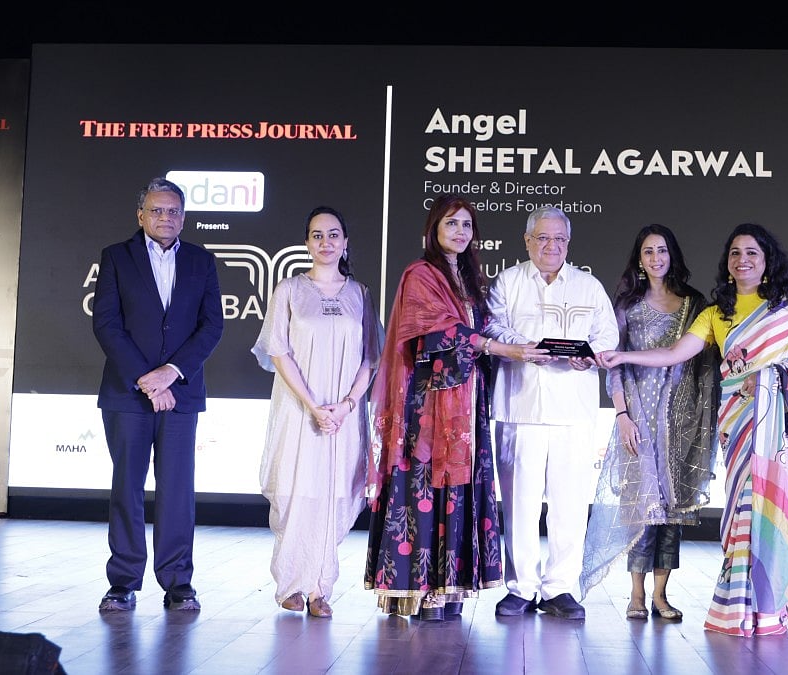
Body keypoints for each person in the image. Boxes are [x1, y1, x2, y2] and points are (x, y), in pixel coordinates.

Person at [596, 223, 788, 637]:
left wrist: (773, 377)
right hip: (740, 426)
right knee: (742, 511)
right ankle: (736, 607)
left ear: (767, 260)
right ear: (727, 262)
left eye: (752, 253)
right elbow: (673, 353)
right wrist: (621, 356)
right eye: (735, 253)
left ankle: (774, 607)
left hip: (782, 432)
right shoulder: (714, 313)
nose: (742, 260)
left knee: (776, 512)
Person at [363, 194, 547, 621]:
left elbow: (478, 331)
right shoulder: (420, 275)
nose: (460, 232)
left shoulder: (471, 280)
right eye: (451, 224)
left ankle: (448, 589)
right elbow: (438, 334)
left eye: (467, 225)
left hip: (468, 402)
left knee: (460, 489)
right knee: (424, 488)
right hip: (429, 404)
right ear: (433, 230)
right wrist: (504, 348)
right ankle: (417, 589)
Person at [93, 177, 224, 612]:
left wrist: (170, 374)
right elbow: (107, 325)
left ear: (183, 217)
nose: (165, 217)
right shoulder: (115, 257)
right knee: (126, 489)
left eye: (173, 211)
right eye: (156, 210)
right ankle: (123, 582)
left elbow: (212, 327)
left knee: (177, 491)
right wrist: (147, 380)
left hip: (181, 394)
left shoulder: (202, 262)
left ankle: (178, 583)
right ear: (141, 215)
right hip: (127, 395)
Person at [578, 224, 719, 622]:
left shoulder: (695, 304)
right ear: (638, 260)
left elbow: (703, 365)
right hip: (638, 418)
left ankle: (661, 596)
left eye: (661, 251)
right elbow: (614, 363)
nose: (656, 258)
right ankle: (636, 596)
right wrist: (622, 414)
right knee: (641, 509)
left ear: (672, 255)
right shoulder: (626, 306)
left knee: (672, 513)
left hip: (682, 421)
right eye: (648, 252)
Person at [485, 205, 619, 620]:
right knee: (520, 504)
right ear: (527, 241)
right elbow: (492, 327)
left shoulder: (588, 286)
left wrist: (589, 357)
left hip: (573, 412)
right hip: (519, 407)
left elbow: (606, 337)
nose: (551, 246)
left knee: (570, 506)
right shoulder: (508, 282)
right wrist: (525, 346)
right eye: (543, 238)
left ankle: (561, 588)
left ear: (568, 243)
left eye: (559, 239)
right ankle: (520, 588)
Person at [252, 206, 384, 619]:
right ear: (306, 242)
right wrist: (314, 406)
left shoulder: (360, 294)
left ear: (346, 242)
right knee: (296, 492)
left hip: (343, 416)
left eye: (333, 234)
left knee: (333, 494)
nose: (325, 242)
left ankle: (320, 588)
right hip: (299, 410)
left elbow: (371, 358)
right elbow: (278, 349)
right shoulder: (289, 289)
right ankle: (291, 583)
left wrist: (344, 407)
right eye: (316, 235)